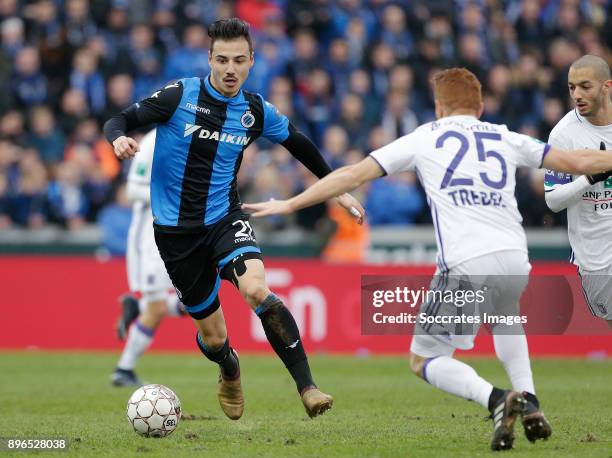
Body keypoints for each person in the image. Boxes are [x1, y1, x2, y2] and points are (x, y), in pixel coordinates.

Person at [243, 68, 612, 450]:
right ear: (480, 106)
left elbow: (353, 175)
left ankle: (498, 399)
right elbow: (578, 162)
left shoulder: (426, 138)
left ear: (438, 108)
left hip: (466, 261)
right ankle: (531, 400)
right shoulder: (503, 135)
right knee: (505, 318)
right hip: (515, 257)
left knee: (424, 360)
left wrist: (290, 202)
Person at [103, 18, 363, 420]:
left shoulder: (256, 110)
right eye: (222, 59)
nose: (230, 69)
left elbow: (301, 146)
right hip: (175, 235)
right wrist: (118, 137)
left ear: (251, 61)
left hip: (225, 218)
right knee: (213, 336)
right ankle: (229, 366)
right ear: (209, 59)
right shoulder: (180, 95)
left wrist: (337, 187)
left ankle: (308, 387)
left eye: (239, 60)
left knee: (258, 289)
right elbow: (119, 119)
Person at [111, 129, 187, 387]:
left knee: (193, 304)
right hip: (151, 236)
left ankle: (136, 308)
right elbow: (132, 190)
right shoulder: (154, 140)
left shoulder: (197, 134)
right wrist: (178, 199)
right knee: (157, 307)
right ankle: (123, 370)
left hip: (182, 235)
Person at [544, 55, 612, 328]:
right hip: (595, 255)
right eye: (572, 87)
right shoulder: (563, 135)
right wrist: (590, 178)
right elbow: (553, 200)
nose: (577, 95)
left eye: (585, 86)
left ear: (607, 87)